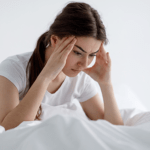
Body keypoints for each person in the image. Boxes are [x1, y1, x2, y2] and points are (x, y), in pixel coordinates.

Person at [0, 2, 123, 131]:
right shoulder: (14, 69)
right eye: (77, 52)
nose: (85, 64)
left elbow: (115, 132)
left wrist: (106, 84)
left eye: (92, 55)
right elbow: (6, 131)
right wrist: (46, 76)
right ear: (54, 41)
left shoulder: (80, 79)